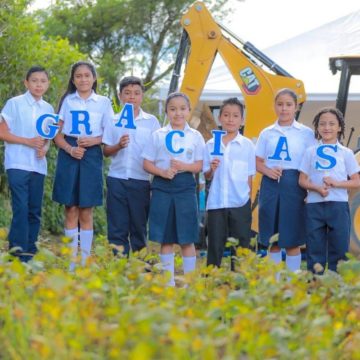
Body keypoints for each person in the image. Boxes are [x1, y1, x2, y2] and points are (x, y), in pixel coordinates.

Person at [52, 61, 114, 269]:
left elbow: (110, 132)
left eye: (87, 75)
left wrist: (95, 140)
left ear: (94, 78)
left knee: (86, 209)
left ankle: (85, 261)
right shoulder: (67, 101)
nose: (83, 79)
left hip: (91, 154)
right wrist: (70, 149)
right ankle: (71, 262)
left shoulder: (104, 102)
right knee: (70, 208)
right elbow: (56, 135)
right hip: (70, 153)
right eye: (78, 76)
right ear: (73, 80)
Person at [143, 92, 205, 286]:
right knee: (165, 236)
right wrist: (162, 172)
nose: (177, 113)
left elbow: (199, 165)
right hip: (162, 186)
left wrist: (183, 167)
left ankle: (188, 283)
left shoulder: (195, 136)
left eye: (182, 109)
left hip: (186, 186)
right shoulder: (158, 135)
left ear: (188, 110)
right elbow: (146, 163)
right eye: (173, 109)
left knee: (187, 237)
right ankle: (168, 283)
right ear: (167, 111)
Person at [255, 88, 315, 272]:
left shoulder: (306, 133)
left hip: (295, 185)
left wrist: (309, 190)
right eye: (280, 104)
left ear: (296, 107)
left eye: (288, 105)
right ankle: (275, 282)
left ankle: (292, 281)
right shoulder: (267, 133)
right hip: (271, 185)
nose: (284, 109)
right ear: (274, 106)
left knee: (292, 237)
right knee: (273, 238)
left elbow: (312, 163)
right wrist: (267, 171)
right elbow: (257, 161)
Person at [0, 66, 54, 262]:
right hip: (17, 163)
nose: (38, 84)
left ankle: (30, 253)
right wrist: (28, 141)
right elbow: (2, 132)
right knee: (21, 208)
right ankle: (17, 254)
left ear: (47, 84)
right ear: (26, 82)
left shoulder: (48, 109)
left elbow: (47, 138)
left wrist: (44, 149)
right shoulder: (14, 103)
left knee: (34, 210)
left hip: (38, 166)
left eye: (43, 81)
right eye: (34, 80)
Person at [103, 76, 160, 256]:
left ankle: (139, 266)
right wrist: (118, 145)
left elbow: (158, 152)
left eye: (136, 93)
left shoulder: (151, 122)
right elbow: (105, 151)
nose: (132, 97)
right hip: (117, 179)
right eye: (127, 93)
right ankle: (119, 266)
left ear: (142, 96)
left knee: (139, 226)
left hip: (141, 180)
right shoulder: (112, 120)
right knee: (117, 227)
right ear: (120, 96)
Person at [299, 107, 360, 273]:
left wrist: (337, 183)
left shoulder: (346, 153)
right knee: (314, 250)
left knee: (339, 250)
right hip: (314, 206)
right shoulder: (310, 152)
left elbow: (356, 182)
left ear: (339, 127)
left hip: (338, 207)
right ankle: (314, 286)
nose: (327, 127)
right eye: (322, 124)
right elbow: (302, 180)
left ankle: (336, 289)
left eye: (332, 124)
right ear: (317, 128)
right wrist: (317, 188)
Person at [203, 98, 255, 269]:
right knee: (215, 245)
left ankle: (239, 284)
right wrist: (211, 168)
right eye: (226, 115)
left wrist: (247, 200)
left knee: (241, 247)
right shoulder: (210, 144)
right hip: (217, 202)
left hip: (240, 202)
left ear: (242, 120)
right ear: (219, 118)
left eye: (235, 116)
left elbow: (249, 177)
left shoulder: (247, 145)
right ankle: (210, 282)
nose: (230, 119)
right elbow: (207, 176)